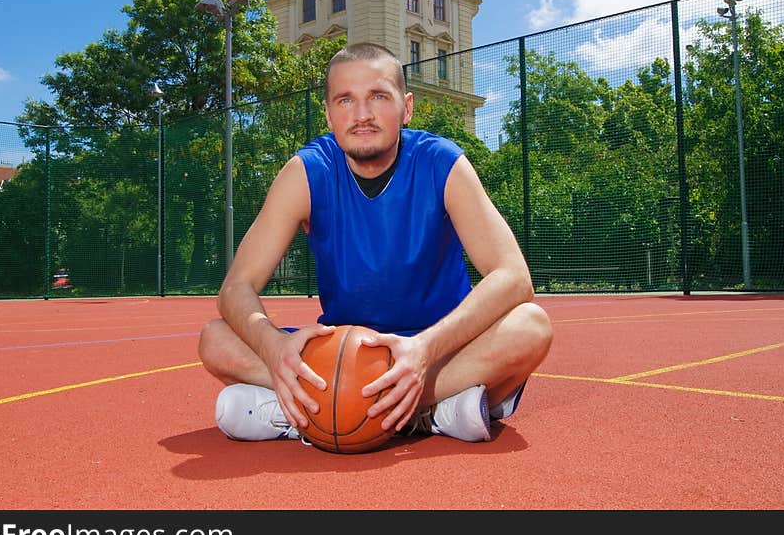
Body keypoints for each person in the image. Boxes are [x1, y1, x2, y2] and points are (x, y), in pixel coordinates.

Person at [198, 42, 553, 444]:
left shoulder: (442, 162)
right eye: (345, 100)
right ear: (329, 112)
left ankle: (315, 412)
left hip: (437, 348)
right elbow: (236, 287)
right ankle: (430, 411)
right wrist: (273, 347)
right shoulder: (307, 172)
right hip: (345, 355)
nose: (362, 114)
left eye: (379, 97)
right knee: (216, 338)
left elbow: (513, 277)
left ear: (407, 107)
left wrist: (424, 349)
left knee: (530, 327)